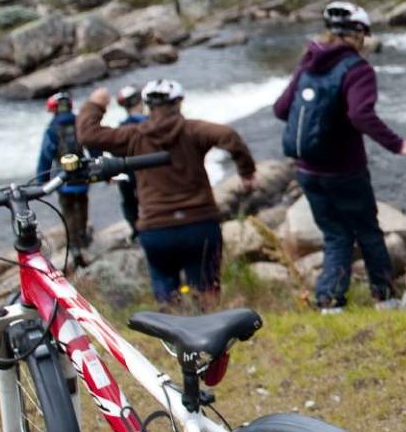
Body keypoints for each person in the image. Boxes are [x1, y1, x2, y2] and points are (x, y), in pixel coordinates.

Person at [273, 0, 406, 312]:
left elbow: (280, 109)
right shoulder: (357, 69)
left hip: (307, 169)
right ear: (359, 34)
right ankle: (385, 299)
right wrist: (399, 145)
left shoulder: (308, 61)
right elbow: (360, 115)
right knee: (368, 231)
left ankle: (329, 301)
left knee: (335, 235)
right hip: (345, 170)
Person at [76, 79, 257, 305]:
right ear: (179, 102)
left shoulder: (133, 136)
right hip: (199, 225)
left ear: (148, 106)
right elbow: (228, 135)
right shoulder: (194, 130)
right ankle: (209, 332)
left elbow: (88, 134)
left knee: (166, 296)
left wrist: (96, 104)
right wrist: (246, 173)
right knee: (206, 292)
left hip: (156, 229)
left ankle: (172, 334)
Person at [36, 91, 93, 268]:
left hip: (64, 180)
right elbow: (93, 144)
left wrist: (42, 181)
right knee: (82, 203)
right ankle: (83, 237)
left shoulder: (51, 129)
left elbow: (45, 156)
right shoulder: (80, 123)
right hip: (83, 175)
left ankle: (74, 246)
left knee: (68, 211)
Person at [111, 85, 147, 231]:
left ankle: (136, 231)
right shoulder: (150, 123)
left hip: (127, 174)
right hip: (148, 173)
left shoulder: (120, 128)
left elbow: (115, 152)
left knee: (129, 203)